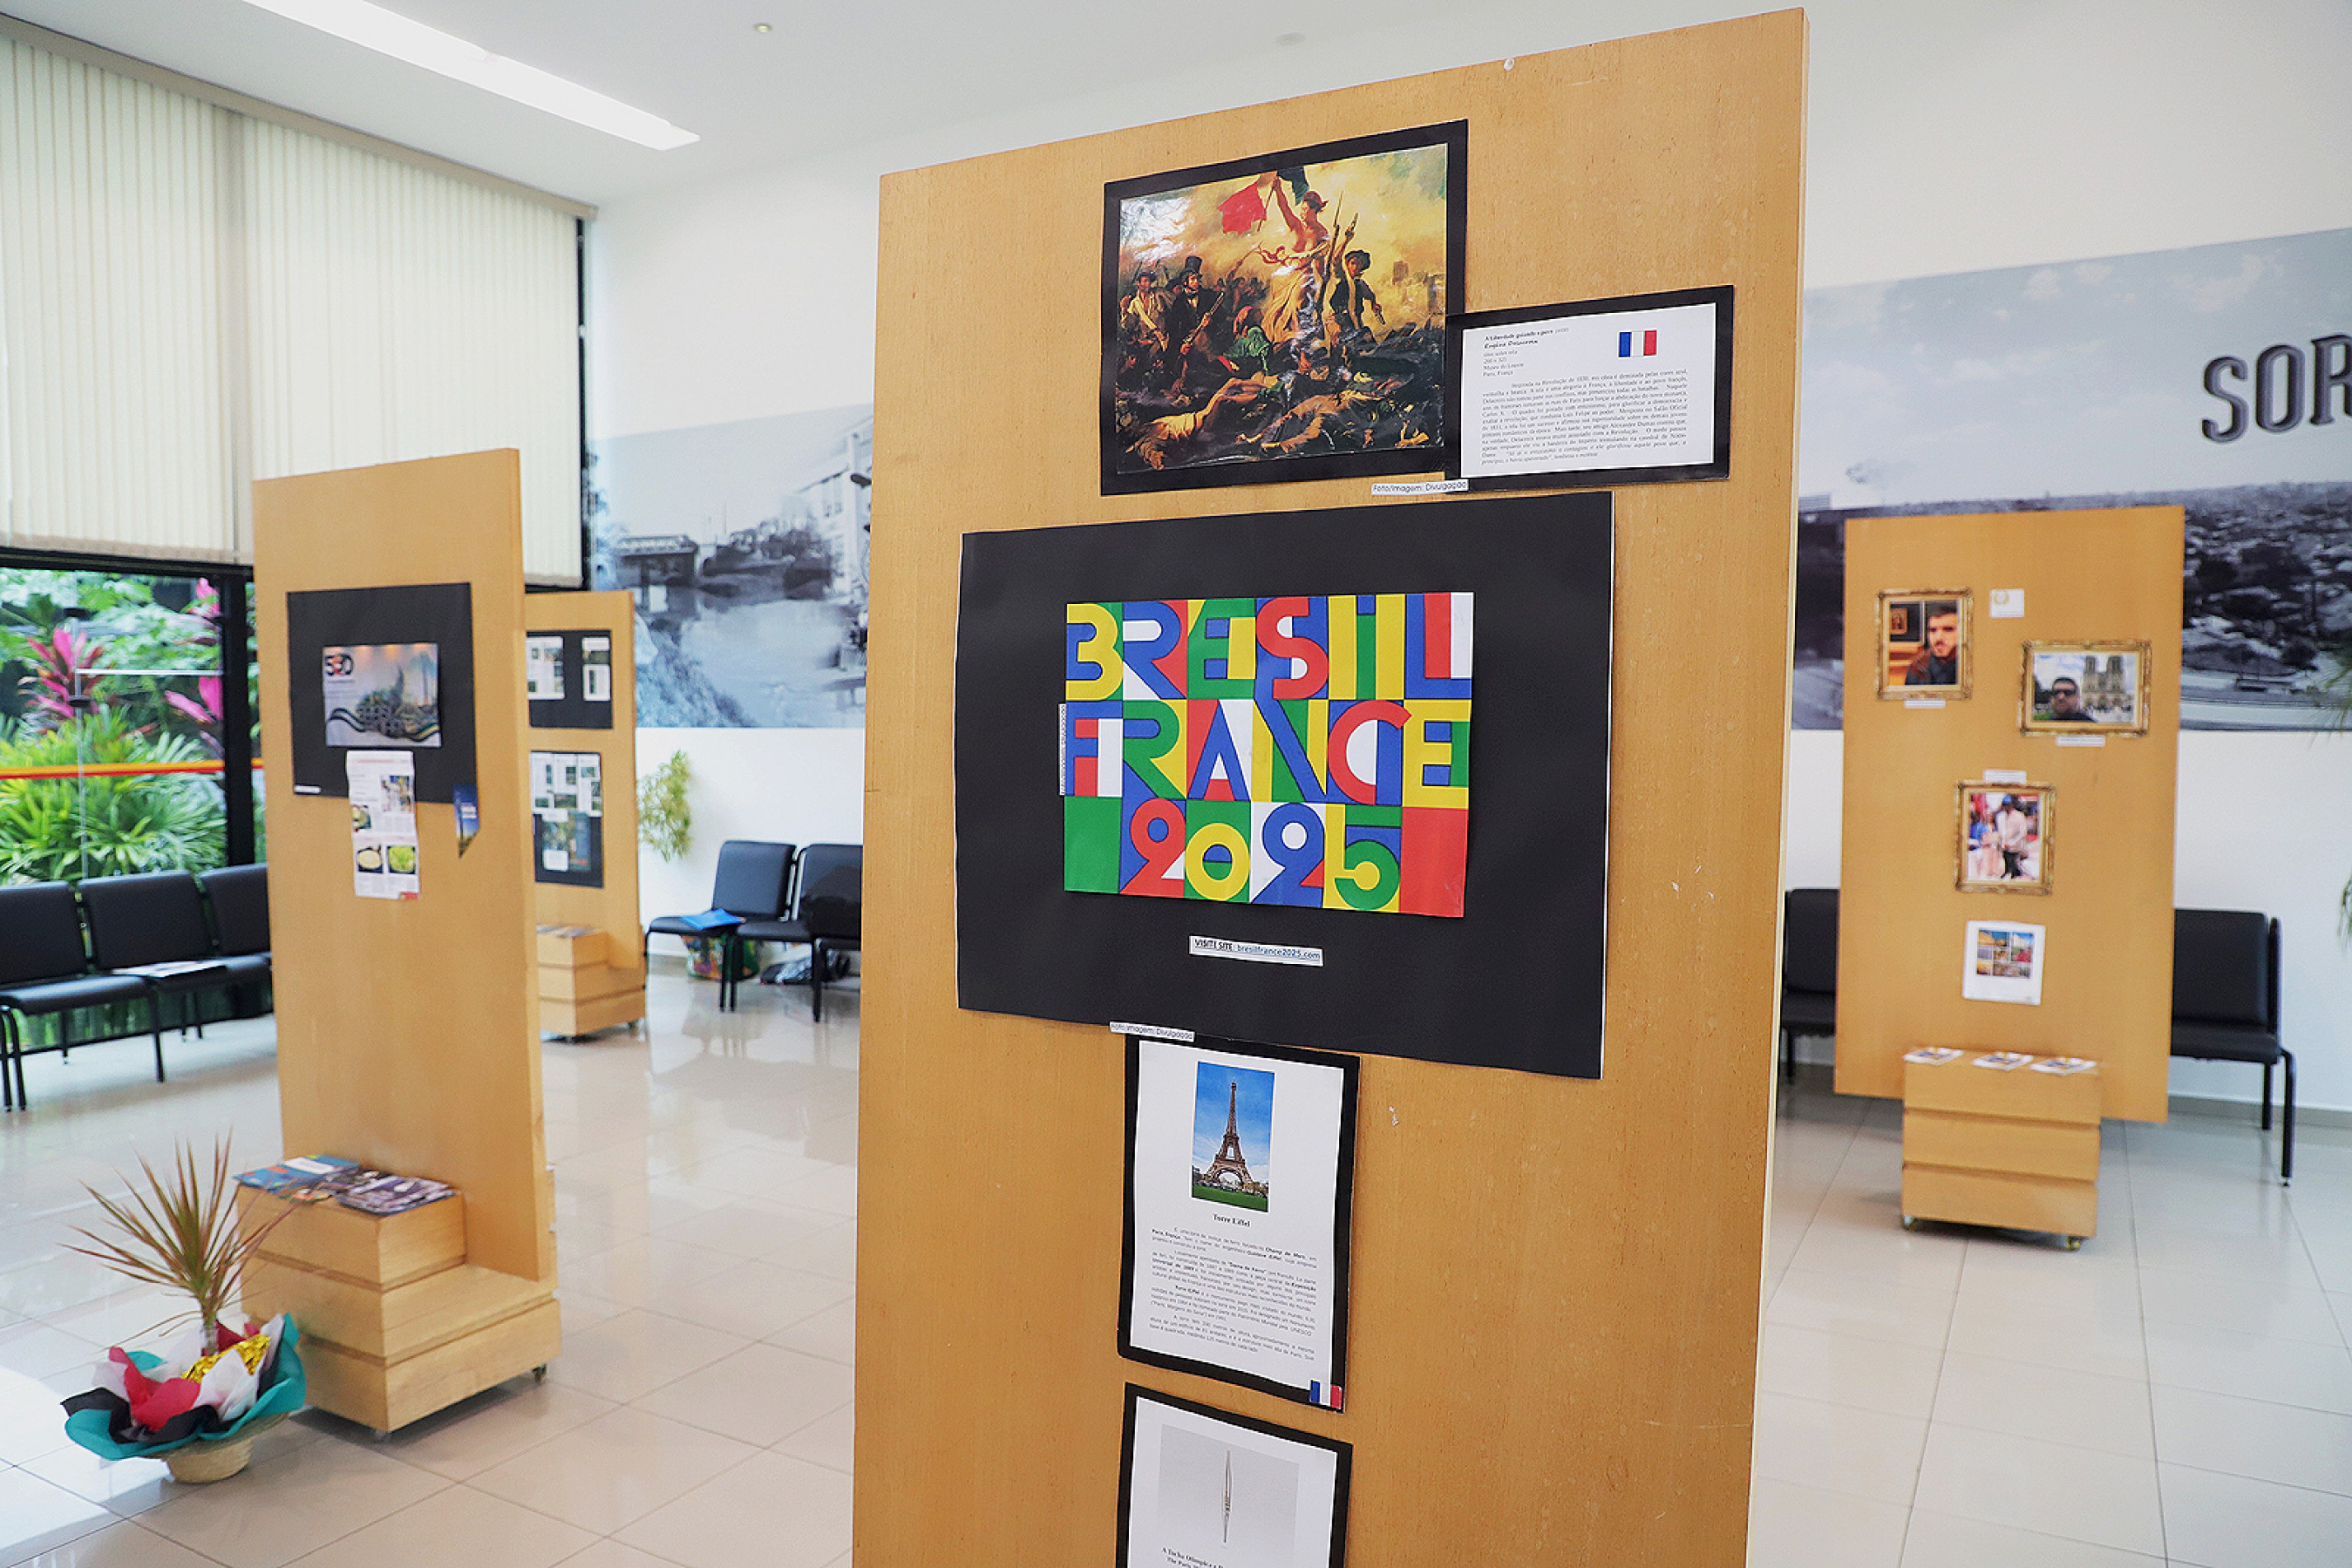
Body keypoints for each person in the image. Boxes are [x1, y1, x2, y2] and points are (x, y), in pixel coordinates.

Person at [1904, 604, 1960, 686]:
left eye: (1948, 630)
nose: (1938, 638)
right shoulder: (1917, 667)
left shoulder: (1973, 666)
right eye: (1933, 630)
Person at [1994, 797, 2033, 879]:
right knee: (2006, 859)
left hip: (2016, 844)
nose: (2007, 808)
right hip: (2004, 844)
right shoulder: (2000, 816)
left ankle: (2016, 874)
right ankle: (2007, 872)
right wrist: (2002, 842)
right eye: (2005, 806)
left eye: (2008, 806)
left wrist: (2012, 843)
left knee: (2014, 861)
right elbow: (2000, 830)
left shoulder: (2019, 816)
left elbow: (2023, 832)